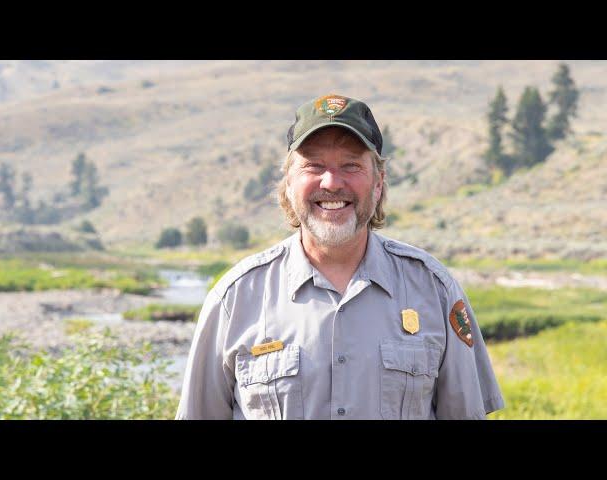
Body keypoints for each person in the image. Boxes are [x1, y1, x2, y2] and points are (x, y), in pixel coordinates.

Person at [176, 94, 505, 420]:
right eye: (314, 166)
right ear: (289, 183)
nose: (332, 183)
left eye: (351, 165)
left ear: (378, 183)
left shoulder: (436, 290)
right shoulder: (234, 299)